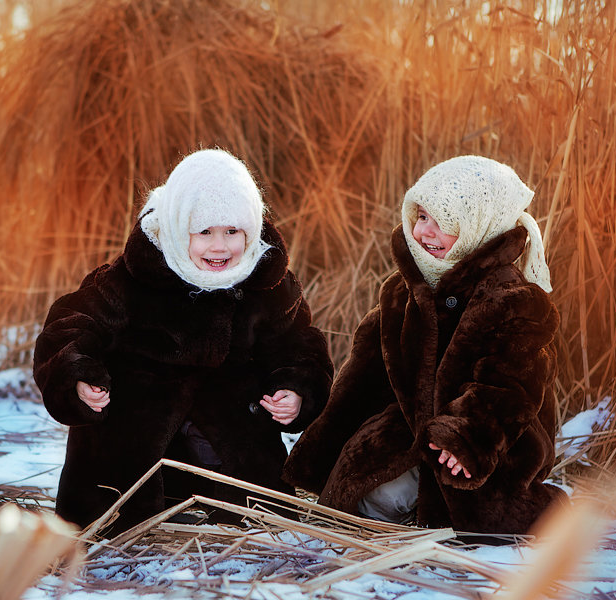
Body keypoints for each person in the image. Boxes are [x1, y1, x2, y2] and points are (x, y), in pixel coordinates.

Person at [33, 148, 333, 532]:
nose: (220, 247)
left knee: (259, 512)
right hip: (136, 433)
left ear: (251, 228)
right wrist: (75, 374)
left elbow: (299, 344)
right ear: (178, 228)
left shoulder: (267, 284)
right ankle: (129, 509)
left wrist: (297, 389)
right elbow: (69, 325)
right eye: (204, 232)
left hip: (229, 435)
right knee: (117, 491)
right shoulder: (130, 278)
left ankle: (231, 506)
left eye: (232, 232)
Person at [283, 155, 568, 536]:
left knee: (490, 518)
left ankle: (545, 509)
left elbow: (510, 385)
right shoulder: (402, 292)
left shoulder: (512, 299)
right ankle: (404, 507)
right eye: (422, 218)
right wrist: (321, 449)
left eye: (445, 224)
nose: (426, 233)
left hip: (490, 446)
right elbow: (362, 378)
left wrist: (468, 438)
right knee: (363, 498)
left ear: (479, 228)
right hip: (411, 432)